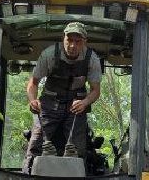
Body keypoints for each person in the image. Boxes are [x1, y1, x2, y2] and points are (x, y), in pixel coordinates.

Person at [24, 21, 102, 168]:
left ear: (84, 42)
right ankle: (27, 174)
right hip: (48, 106)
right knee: (36, 144)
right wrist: (33, 100)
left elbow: (95, 91)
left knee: (77, 148)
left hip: (76, 107)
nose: (72, 45)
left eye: (78, 41)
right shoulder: (49, 55)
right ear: (63, 38)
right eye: (69, 40)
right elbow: (33, 83)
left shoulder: (92, 59)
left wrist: (85, 102)